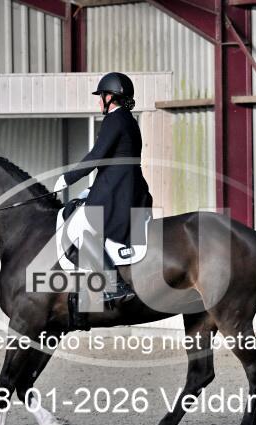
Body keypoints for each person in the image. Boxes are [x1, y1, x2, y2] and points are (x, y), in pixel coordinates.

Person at [54, 72, 152, 303]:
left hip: (118, 191)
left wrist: (68, 178)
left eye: (102, 96)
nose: (99, 101)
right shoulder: (129, 120)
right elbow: (114, 161)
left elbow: (96, 156)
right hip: (130, 188)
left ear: (111, 97)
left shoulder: (114, 120)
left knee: (80, 227)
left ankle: (115, 285)